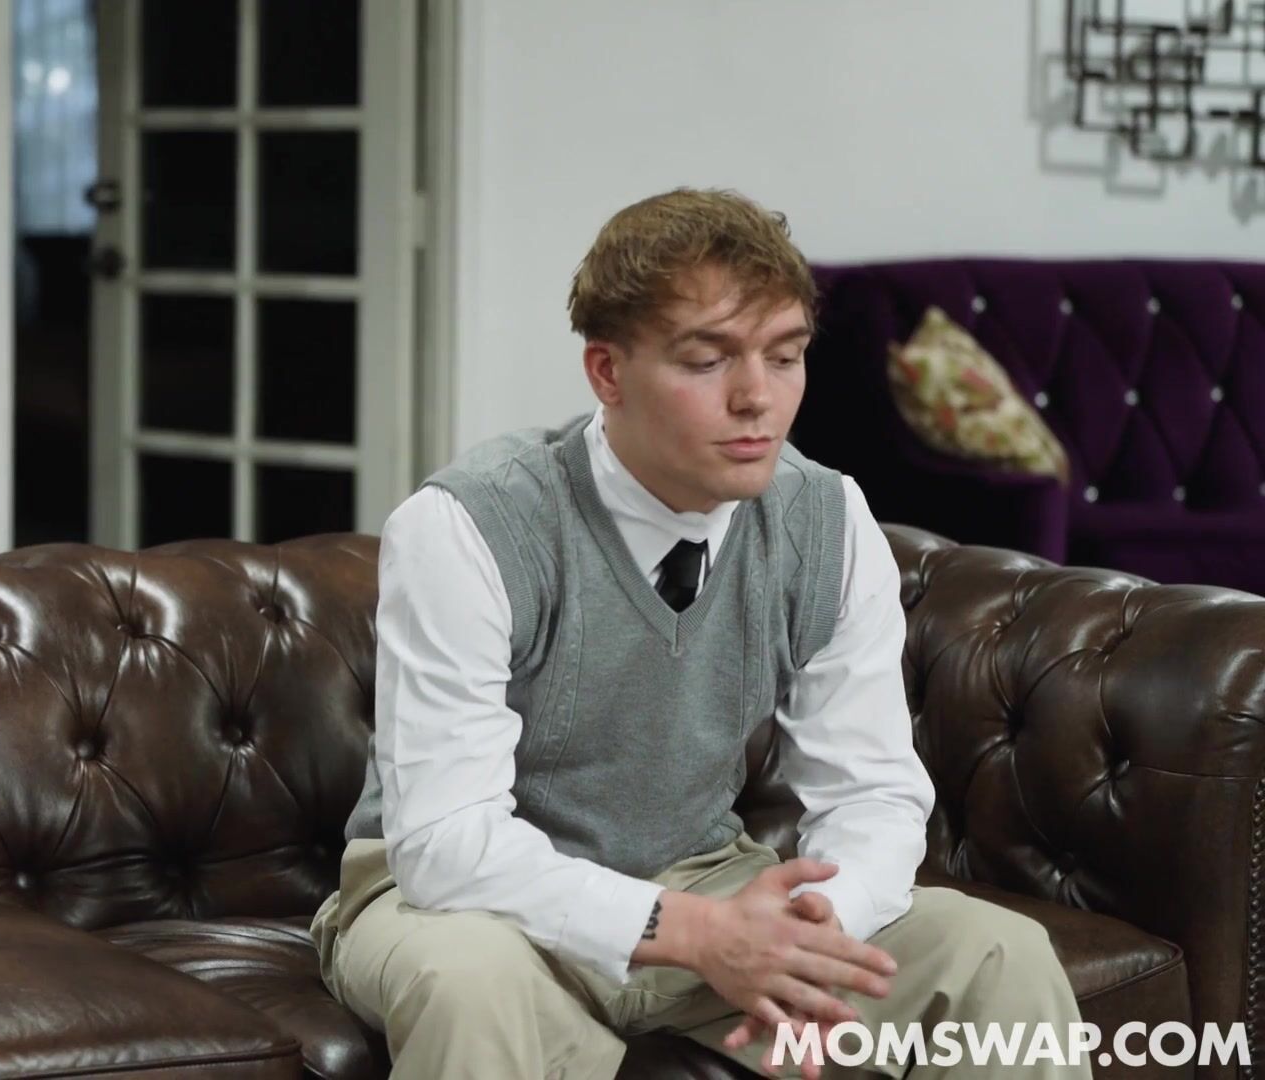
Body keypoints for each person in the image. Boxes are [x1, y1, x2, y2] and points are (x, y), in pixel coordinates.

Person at [308, 188, 1088, 1079]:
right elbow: (446, 846)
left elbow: (872, 793)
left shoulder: (827, 520)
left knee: (997, 958)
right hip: (469, 911)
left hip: (702, 877)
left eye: (785, 356)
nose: (758, 398)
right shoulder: (469, 524)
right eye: (708, 360)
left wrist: (809, 931)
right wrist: (694, 934)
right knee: (469, 984)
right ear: (608, 373)